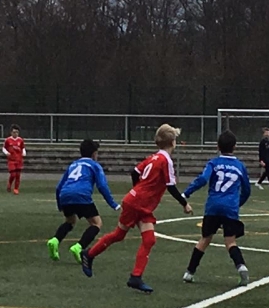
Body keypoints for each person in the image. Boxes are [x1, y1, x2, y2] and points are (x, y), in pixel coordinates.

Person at [80, 124, 193, 294]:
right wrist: (184, 204)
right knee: (121, 235)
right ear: (172, 142)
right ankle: (89, 255)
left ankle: (135, 276)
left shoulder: (153, 157)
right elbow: (171, 186)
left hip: (138, 203)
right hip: (138, 204)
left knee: (147, 239)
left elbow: (134, 172)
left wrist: (137, 190)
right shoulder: (166, 161)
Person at [181, 130, 252, 286]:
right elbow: (247, 190)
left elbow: (202, 179)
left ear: (217, 147)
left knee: (205, 239)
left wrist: (186, 193)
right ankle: (241, 267)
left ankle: (189, 272)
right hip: (230, 208)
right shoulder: (240, 166)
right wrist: (236, 204)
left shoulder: (213, 163)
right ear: (235, 147)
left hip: (213, 206)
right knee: (230, 242)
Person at [48, 139, 121, 263]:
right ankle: (79, 247)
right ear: (94, 154)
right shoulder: (94, 165)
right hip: (81, 195)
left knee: (70, 221)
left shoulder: (73, 165)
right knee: (96, 223)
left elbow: (59, 187)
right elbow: (102, 186)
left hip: (65, 194)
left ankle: (55, 240)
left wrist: (60, 204)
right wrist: (113, 204)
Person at [2, 125, 26, 194]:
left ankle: (16, 189)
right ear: (11, 132)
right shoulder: (7, 140)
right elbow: (3, 148)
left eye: (17, 132)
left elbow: (23, 147)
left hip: (19, 160)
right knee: (13, 174)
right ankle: (9, 184)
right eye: (14, 132)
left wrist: (24, 152)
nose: (15, 134)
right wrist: (6, 153)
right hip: (11, 160)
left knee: (18, 175)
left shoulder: (20, 140)